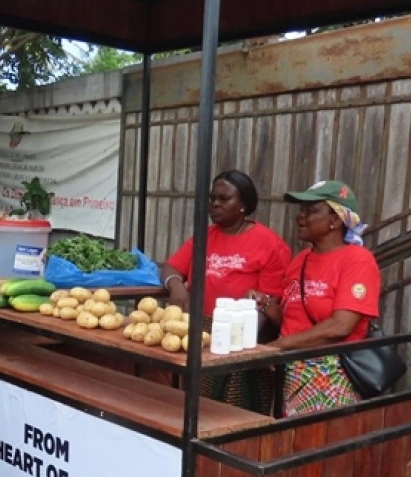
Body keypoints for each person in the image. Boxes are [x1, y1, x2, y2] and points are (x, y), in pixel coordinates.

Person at [159, 171, 290, 412]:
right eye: (212, 198)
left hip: (245, 340)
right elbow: (172, 266)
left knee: (234, 412)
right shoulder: (204, 236)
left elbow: (268, 301)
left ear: (243, 205)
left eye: (224, 198)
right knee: (196, 407)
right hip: (201, 334)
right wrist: (177, 287)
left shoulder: (270, 244)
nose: (215, 204)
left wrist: (237, 339)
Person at [257, 180, 381, 417]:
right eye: (301, 209)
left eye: (311, 210)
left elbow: (340, 326)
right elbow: (293, 322)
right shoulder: (301, 259)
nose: (300, 216)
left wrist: (278, 346)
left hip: (330, 377)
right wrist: (266, 305)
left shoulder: (357, 260)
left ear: (336, 219)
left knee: (317, 438)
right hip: (290, 374)